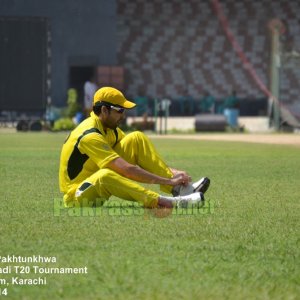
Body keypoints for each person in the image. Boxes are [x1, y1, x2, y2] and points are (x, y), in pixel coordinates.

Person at [59, 87, 210, 210]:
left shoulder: (110, 129)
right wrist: (168, 180)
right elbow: (127, 169)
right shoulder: (89, 135)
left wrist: (173, 174)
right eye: (120, 110)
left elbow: (136, 158)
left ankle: (181, 190)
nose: (123, 115)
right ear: (104, 110)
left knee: (136, 138)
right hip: (78, 196)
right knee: (105, 175)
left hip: (95, 180)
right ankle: (168, 202)